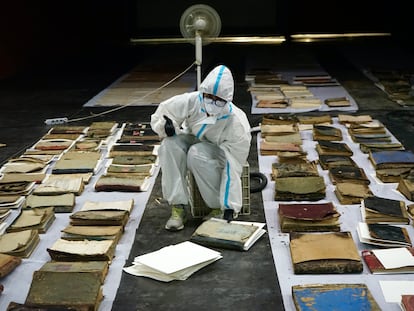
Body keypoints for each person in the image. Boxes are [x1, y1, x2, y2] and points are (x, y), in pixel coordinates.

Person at [150, 64, 252, 231]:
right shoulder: (192, 101)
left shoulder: (236, 125)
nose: (212, 102)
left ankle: (216, 207)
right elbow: (164, 112)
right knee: (169, 145)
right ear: (202, 92)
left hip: (217, 152)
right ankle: (178, 206)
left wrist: (229, 205)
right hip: (194, 138)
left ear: (226, 100)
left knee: (196, 154)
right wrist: (166, 126)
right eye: (209, 96)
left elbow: (233, 166)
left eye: (218, 100)